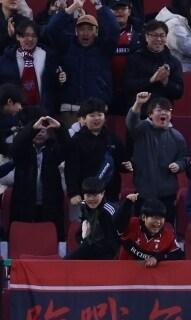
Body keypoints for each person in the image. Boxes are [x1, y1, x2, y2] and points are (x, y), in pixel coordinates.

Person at [43, 2, 119, 123]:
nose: (86, 33)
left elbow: (114, 28)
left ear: (96, 31)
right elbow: (51, 29)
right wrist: (73, 7)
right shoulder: (66, 45)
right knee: (69, 142)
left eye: (90, 29)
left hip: (96, 111)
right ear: (76, 31)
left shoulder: (104, 48)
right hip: (70, 111)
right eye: (82, 29)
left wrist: (98, 6)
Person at [126, 92, 188, 228]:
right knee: (141, 229)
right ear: (150, 114)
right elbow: (131, 123)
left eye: (167, 110)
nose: (164, 113)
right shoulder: (142, 130)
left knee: (167, 228)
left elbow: (184, 158)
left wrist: (179, 165)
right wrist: (138, 104)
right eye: (159, 110)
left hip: (167, 194)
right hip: (143, 192)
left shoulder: (177, 137)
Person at [8, 112, 69, 244]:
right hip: (23, 204)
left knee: (48, 240)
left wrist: (60, 128)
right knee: (24, 241)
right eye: (37, 130)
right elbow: (15, 147)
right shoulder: (23, 150)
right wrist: (31, 129)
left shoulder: (54, 149)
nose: (40, 133)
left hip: (50, 204)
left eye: (44, 130)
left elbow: (67, 148)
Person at [64, 98, 129, 206]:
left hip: (110, 194)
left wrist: (127, 165)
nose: (97, 118)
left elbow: (122, 163)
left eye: (100, 115)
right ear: (83, 119)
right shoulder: (76, 141)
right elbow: (71, 169)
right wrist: (73, 193)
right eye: (92, 115)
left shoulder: (113, 139)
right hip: (85, 196)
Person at [0, 20, 59, 115]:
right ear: (18, 37)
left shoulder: (48, 56)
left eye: (34, 36)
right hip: (16, 113)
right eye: (26, 35)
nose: (30, 39)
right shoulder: (6, 59)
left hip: (43, 111)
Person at [124, 19, 185, 105]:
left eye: (162, 35)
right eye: (154, 35)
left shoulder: (174, 62)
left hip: (163, 110)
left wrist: (165, 81)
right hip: (140, 109)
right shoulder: (134, 59)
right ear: (146, 37)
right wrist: (151, 80)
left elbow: (179, 93)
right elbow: (128, 86)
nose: (159, 39)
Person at [115, 193, 184, 265]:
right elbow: (119, 225)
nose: (158, 222)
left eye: (161, 218)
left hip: (151, 275)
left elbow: (178, 254)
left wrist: (158, 258)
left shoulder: (168, 233)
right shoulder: (133, 224)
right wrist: (127, 204)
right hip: (125, 270)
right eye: (155, 218)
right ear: (143, 217)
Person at [67, 176, 119, 260]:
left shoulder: (109, 211)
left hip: (108, 254)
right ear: (83, 195)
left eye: (95, 195)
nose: (91, 199)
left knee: (70, 261)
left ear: (102, 193)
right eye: (88, 195)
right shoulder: (84, 206)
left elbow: (113, 241)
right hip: (91, 247)